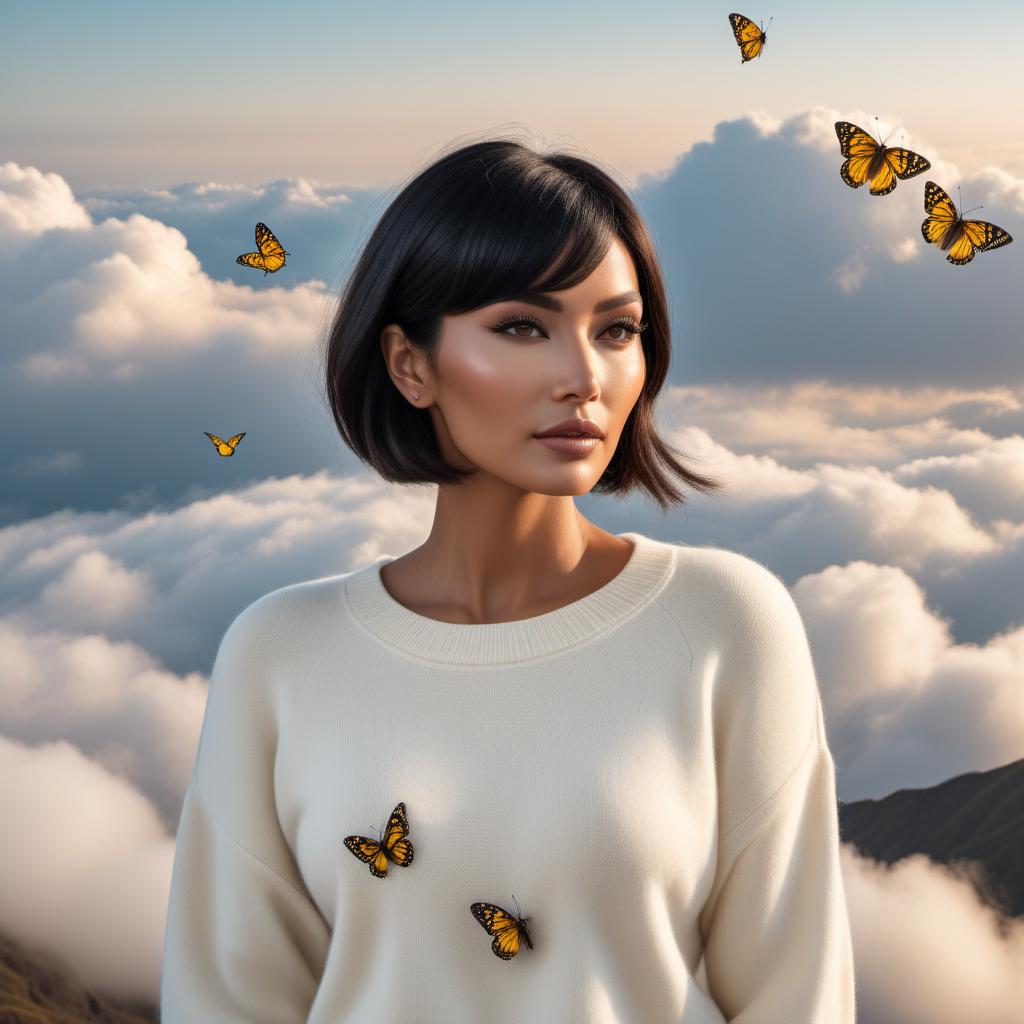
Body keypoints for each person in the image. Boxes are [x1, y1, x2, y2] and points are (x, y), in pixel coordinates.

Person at [160, 133, 856, 1022]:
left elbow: (794, 996)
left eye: (617, 330)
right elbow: (227, 999)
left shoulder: (724, 622)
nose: (584, 378)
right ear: (410, 363)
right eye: (523, 326)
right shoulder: (280, 652)